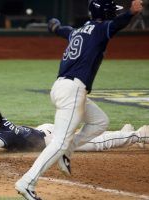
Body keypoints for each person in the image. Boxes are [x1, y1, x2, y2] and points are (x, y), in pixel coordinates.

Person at [14, 0, 144, 199]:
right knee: (59, 143)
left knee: (100, 121)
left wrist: (53, 25)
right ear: (107, 14)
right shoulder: (102, 28)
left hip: (61, 88)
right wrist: (132, 12)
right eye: (112, 12)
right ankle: (27, 182)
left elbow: (59, 29)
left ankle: (69, 151)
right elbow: (118, 24)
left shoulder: (78, 30)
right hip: (73, 91)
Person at [0, 109, 149, 154]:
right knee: (88, 137)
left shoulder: (4, 135)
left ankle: (138, 134)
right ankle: (124, 132)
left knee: (97, 144)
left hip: (53, 139)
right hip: (43, 130)